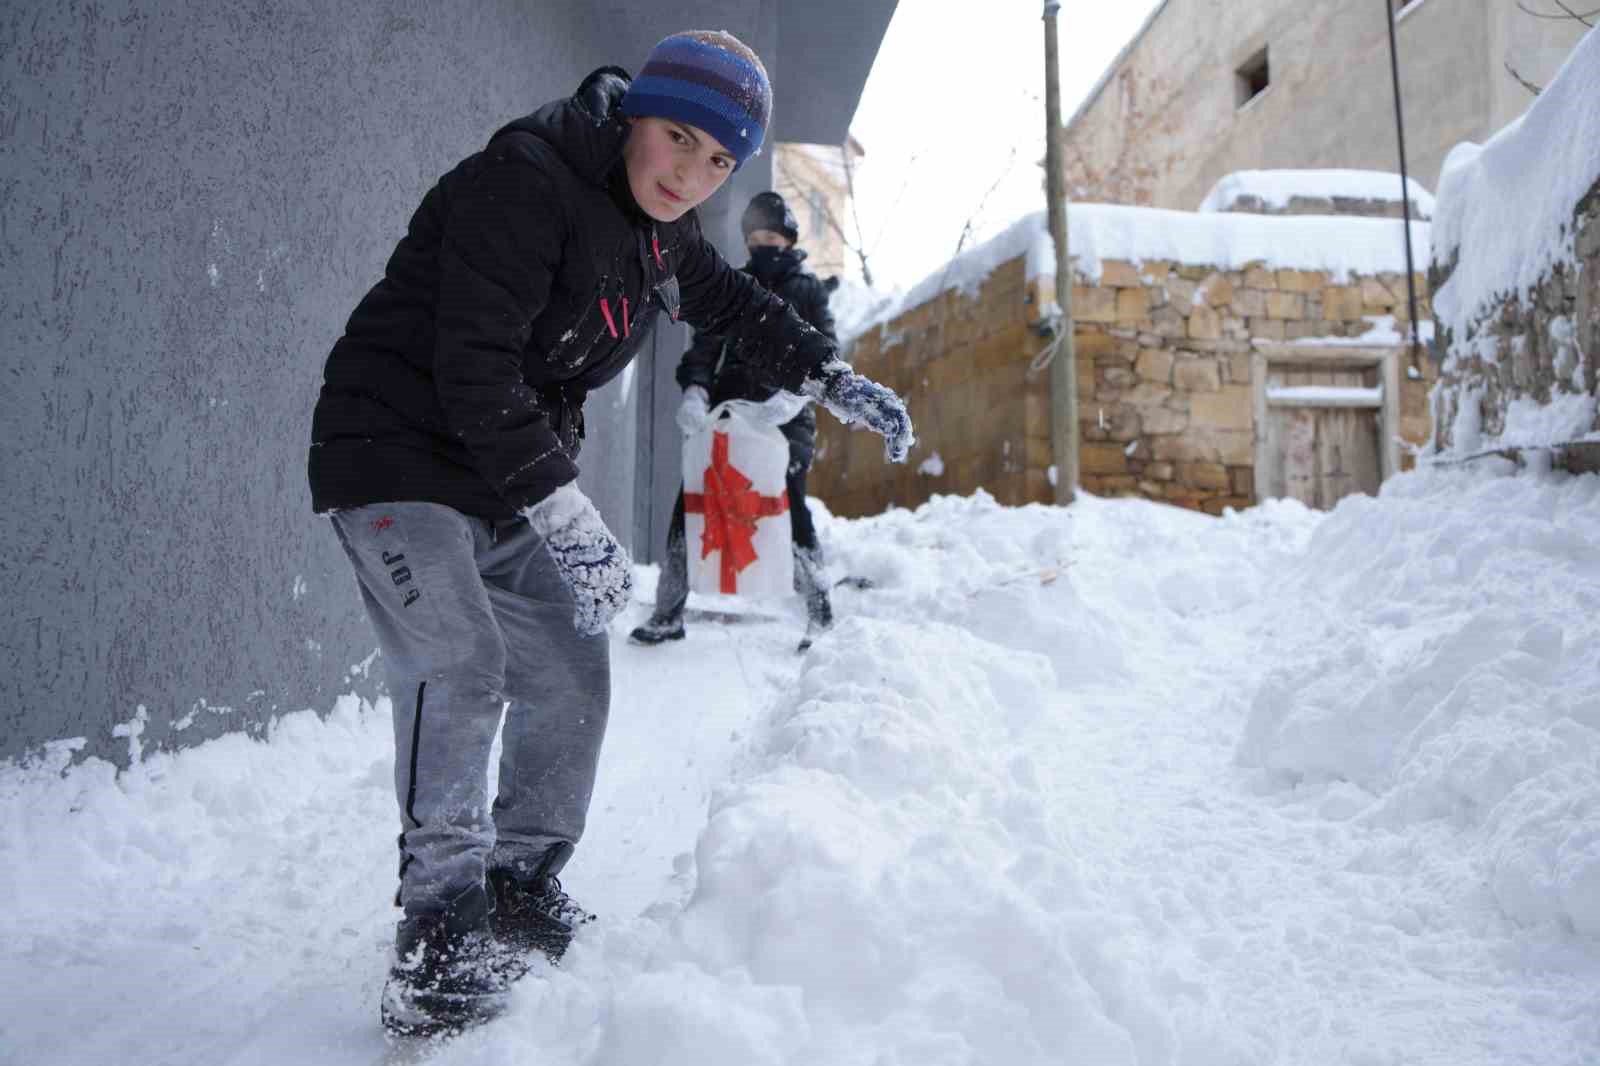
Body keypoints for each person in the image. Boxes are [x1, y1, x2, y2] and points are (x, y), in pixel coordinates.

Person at [306, 31, 914, 1036]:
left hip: (499, 471)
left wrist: (829, 377)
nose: (691, 173)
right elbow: (473, 371)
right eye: (677, 138)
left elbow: (736, 306)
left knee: (570, 665)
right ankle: (438, 934)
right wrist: (566, 512)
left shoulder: (655, 231)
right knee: (459, 663)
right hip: (394, 451)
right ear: (635, 113)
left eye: (719, 160)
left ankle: (517, 880)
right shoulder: (528, 180)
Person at [630, 191, 838, 652]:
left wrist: (794, 395)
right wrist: (697, 389)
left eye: (773, 235)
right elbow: (705, 346)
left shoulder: (807, 290)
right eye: (755, 236)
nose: (764, 243)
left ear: (788, 239)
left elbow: (827, 351)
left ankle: (820, 611)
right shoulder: (735, 285)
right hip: (728, 412)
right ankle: (668, 611)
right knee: (692, 498)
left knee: (788, 504)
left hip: (786, 419)